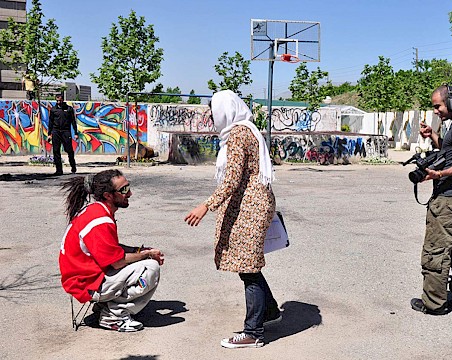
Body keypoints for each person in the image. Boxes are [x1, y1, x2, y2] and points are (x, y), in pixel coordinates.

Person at [185, 90, 280, 349]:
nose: (213, 118)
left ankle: (253, 332)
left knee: (248, 268)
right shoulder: (247, 129)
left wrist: (206, 206)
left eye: (214, 112)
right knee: (247, 265)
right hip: (252, 203)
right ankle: (269, 311)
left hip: (249, 207)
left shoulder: (238, 134)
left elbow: (232, 179)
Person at [59, 169, 164, 332]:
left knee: (145, 261)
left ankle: (106, 306)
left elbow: (112, 250)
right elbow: (117, 261)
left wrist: (140, 250)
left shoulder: (96, 209)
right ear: (108, 195)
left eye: (128, 187)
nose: (129, 193)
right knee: (151, 268)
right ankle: (113, 316)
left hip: (87, 277)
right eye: (124, 190)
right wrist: (147, 255)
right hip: (86, 284)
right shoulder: (100, 220)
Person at [410, 85, 452, 315]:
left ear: (450, 102)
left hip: (448, 202)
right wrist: (434, 137)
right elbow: (451, 155)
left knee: (435, 252)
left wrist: (438, 174)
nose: (436, 111)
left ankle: (434, 304)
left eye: (438, 106)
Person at [48, 94, 79, 175]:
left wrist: (76, 133)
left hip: (66, 131)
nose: (58, 102)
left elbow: (73, 121)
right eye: (57, 100)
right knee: (56, 151)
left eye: (60, 100)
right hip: (56, 131)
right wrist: (49, 134)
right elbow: (50, 122)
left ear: (63, 100)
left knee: (69, 150)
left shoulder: (69, 109)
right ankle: (59, 170)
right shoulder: (53, 109)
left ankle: (73, 166)